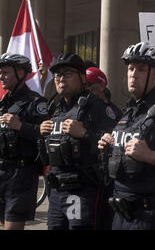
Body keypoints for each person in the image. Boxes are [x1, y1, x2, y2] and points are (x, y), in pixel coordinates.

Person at [97, 42, 155, 230]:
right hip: (120, 212)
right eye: (130, 68)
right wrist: (107, 147)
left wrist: (149, 156)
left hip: (151, 215)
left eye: (141, 69)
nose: (133, 74)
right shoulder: (128, 111)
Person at [39, 53, 118, 230]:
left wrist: (84, 134)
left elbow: (115, 147)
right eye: (57, 75)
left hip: (84, 189)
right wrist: (42, 133)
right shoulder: (55, 106)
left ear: (82, 77)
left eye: (67, 74)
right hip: (57, 190)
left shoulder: (97, 106)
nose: (61, 79)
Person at [0, 54, 49, 230]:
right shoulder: (3, 102)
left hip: (21, 175)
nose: (1, 77)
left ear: (20, 72)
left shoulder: (35, 102)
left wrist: (20, 126)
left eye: (6, 72)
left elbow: (46, 135)